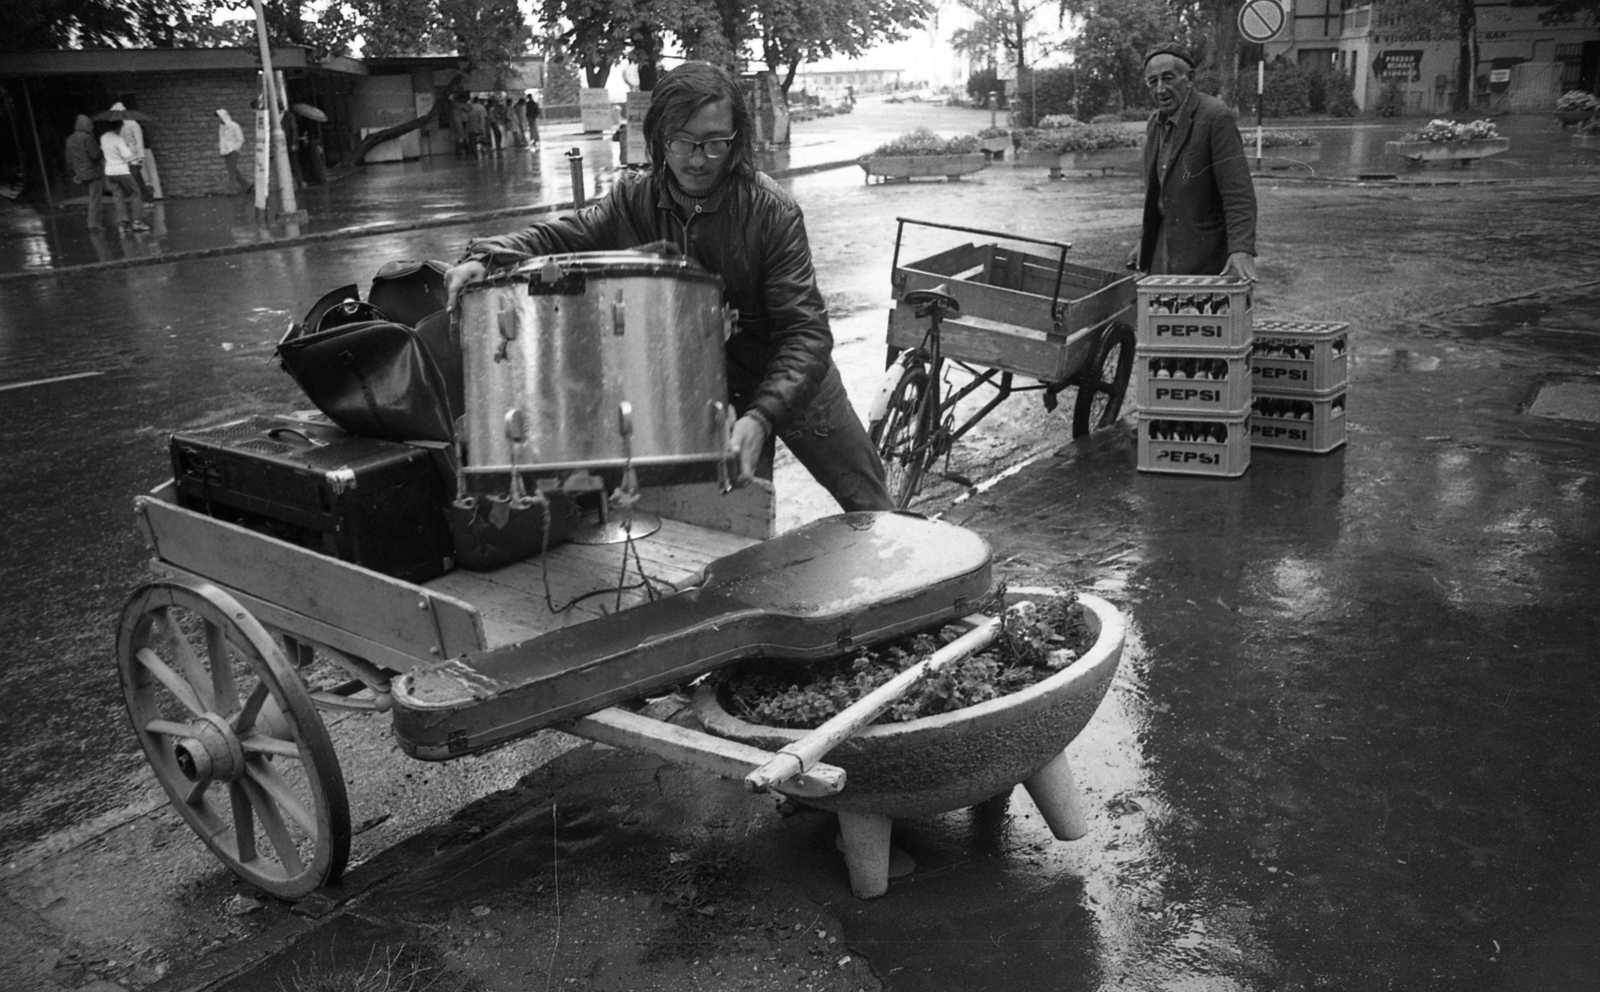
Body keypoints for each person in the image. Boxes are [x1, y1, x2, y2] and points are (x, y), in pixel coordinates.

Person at [444, 61, 894, 513]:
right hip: (706, 397)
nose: (698, 159)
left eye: (715, 143)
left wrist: (762, 417)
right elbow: (556, 237)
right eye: (683, 141)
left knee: (875, 513)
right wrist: (486, 257)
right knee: (738, 531)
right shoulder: (631, 200)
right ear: (659, 138)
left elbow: (806, 334)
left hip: (794, 385)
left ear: (735, 141)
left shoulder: (772, 212)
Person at [1132, 44, 1258, 281]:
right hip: (1163, 253)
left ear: (1189, 78)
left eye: (1168, 78)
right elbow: (1156, 195)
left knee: (1201, 317)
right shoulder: (1154, 124)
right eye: (1153, 81)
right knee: (1161, 316)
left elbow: (1238, 193)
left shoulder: (1215, 117)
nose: (1160, 89)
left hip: (1206, 258)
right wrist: (1144, 242)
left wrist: (1241, 250)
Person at [100, 120, 149, 233]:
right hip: (122, 170)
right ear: (118, 127)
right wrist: (131, 150)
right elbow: (127, 155)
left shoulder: (103, 137)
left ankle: (122, 223)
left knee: (118, 196)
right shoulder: (118, 139)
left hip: (109, 172)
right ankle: (137, 222)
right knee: (135, 192)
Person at [64, 114, 106, 231]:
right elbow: (95, 155)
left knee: (90, 198)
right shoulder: (87, 138)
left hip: (79, 172)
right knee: (95, 199)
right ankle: (94, 224)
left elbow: (69, 159)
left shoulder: (70, 139)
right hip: (92, 172)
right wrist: (101, 150)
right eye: (90, 125)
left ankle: (93, 223)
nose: (91, 127)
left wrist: (74, 173)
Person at [109, 102, 153, 200]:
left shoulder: (133, 124)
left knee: (134, 176)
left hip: (135, 156)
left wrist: (141, 156)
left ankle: (144, 195)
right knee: (137, 178)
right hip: (127, 157)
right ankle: (146, 194)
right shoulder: (121, 126)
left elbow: (139, 140)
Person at [216, 108, 250, 194]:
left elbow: (240, 139)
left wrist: (235, 148)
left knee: (231, 171)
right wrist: (222, 149)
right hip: (226, 151)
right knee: (233, 170)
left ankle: (231, 191)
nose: (219, 119)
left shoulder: (234, 126)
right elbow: (222, 139)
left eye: (220, 117)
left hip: (233, 151)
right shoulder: (221, 127)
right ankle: (247, 185)